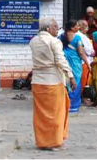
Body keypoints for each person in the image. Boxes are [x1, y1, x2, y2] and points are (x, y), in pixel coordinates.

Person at [29, 17, 76, 151]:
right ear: (48, 28)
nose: (57, 29)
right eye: (56, 27)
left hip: (37, 81)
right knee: (55, 113)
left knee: (40, 114)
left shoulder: (33, 41)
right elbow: (60, 61)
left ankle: (43, 141)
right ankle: (54, 142)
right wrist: (71, 76)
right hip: (52, 81)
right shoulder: (54, 42)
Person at [60, 27, 86, 113]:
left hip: (65, 61)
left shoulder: (60, 37)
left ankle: (65, 104)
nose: (78, 27)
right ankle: (73, 105)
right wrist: (88, 63)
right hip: (75, 63)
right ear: (72, 27)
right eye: (77, 25)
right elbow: (81, 52)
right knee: (76, 80)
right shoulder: (78, 38)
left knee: (65, 81)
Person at [76, 20, 95, 93]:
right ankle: (83, 96)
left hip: (87, 60)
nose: (86, 27)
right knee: (84, 79)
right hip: (84, 61)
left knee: (86, 79)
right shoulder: (79, 35)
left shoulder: (83, 35)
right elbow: (85, 49)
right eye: (85, 25)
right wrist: (92, 52)